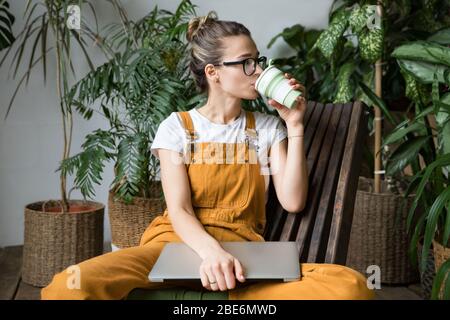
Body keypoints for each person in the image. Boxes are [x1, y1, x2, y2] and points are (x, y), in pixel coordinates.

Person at [41, 11, 375, 300]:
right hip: (171, 246)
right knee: (68, 286)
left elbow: (293, 201)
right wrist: (210, 253)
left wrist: (295, 123)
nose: (257, 71)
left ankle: (186, 296)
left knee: (350, 286)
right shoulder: (177, 127)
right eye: (245, 63)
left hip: (242, 261)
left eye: (257, 60)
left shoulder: (268, 129)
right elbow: (180, 210)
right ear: (213, 73)